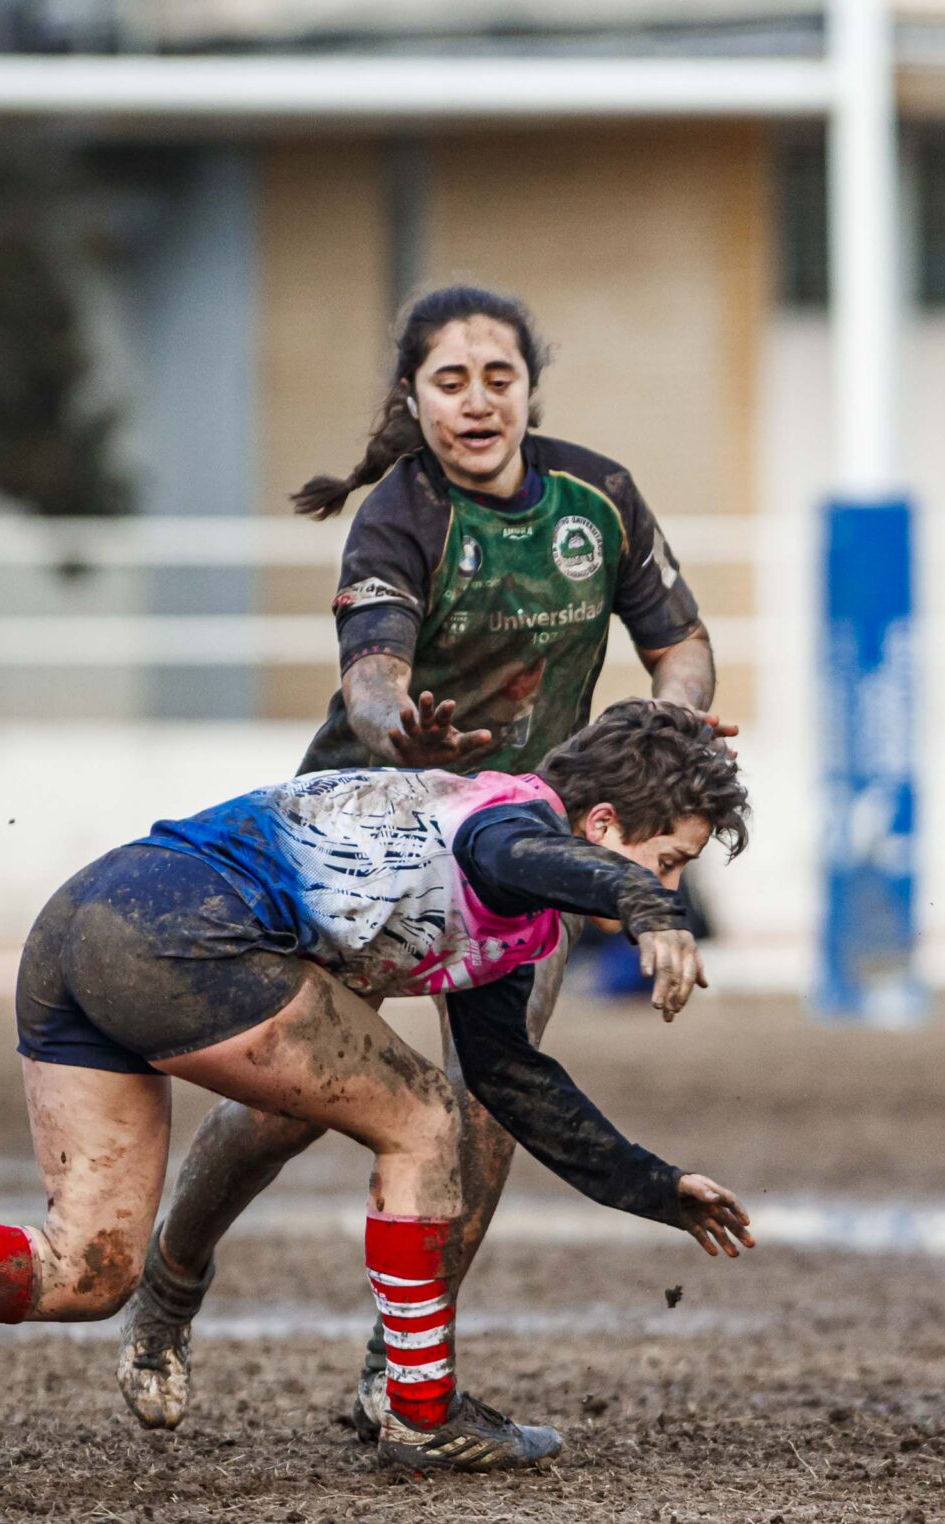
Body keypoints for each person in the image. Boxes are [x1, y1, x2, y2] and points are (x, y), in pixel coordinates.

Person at [0, 699, 757, 1469]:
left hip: (85, 924)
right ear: (608, 823)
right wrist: (647, 909)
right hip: (182, 937)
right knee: (427, 1122)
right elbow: (524, 854)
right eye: (666, 861)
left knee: (88, 1269)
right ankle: (420, 1407)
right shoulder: (508, 820)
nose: (670, 886)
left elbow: (515, 1077)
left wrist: (652, 1187)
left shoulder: (519, 911)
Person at [116, 284, 728, 1441]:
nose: (478, 400)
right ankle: (168, 1291)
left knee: (490, 1104)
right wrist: (411, 734)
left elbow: (680, 646)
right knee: (285, 1111)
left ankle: (396, 1378)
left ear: (529, 390)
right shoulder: (401, 514)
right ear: (414, 399)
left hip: (526, 854)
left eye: (498, 377)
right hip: (365, 853)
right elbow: (371, 684)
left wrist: (680, 718)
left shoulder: (598, 496)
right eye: (450, 381)